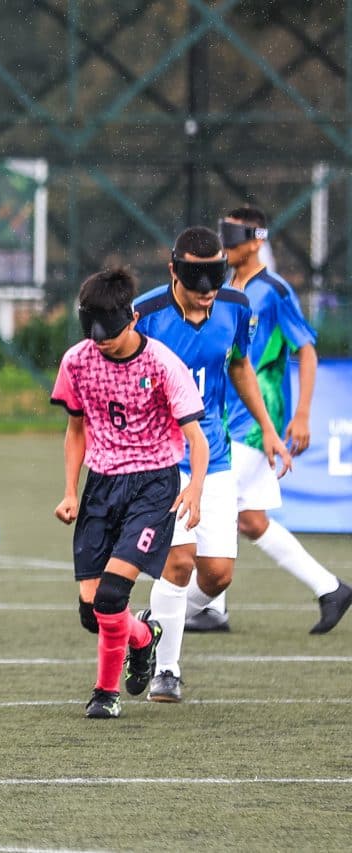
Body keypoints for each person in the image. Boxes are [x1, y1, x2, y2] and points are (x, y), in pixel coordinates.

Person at [134, 226, 292, 703]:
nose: (206, 299)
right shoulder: (143, 315)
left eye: (212, 289)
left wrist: (266, 427)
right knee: (179, 561)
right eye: (195, 290)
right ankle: (167, 671)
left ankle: (151, 623)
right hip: (161, 457)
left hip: (216, 456)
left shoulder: (237, 307)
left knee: (218, 574)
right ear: (173, 273)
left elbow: (240, 366)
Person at [183, 208, 351, 634]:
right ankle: (329, 588)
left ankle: (193, 608)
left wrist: (302, 415)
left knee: (209, 502)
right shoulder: (221, 289)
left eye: (234, 235)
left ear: (257, 240)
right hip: (225, 416)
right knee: (250, 520)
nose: (226, 242)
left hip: (259, 422)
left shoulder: (274, 291)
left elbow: (306, 349)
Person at [51, 266, 208, 719]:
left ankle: (105, 693)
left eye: (110, 331)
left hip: (153, 484)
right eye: (93, 331)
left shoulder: (161, 363)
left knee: (111, 598)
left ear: (132, 318)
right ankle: (144, 637)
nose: (101, 340)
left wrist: (195, 485)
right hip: (101, 486)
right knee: (91, 613)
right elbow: (75, 429)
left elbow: (195, 437)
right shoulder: (77, 361)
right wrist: (69, 491)